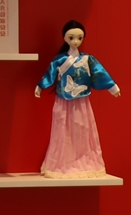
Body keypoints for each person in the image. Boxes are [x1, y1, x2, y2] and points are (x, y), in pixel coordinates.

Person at [34, 20, 120, 178]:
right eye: (71, 37)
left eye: (79, 38)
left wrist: (111, 86)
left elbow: (99, 73)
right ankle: (61, 163)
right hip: (63, 100)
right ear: (65, 38)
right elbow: (49, 75)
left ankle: (86, 162)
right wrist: (40, 86)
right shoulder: (60, 60)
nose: (75, 41)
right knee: (61, 130)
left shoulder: (87, 59)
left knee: (84, 129)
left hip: (82, 100)